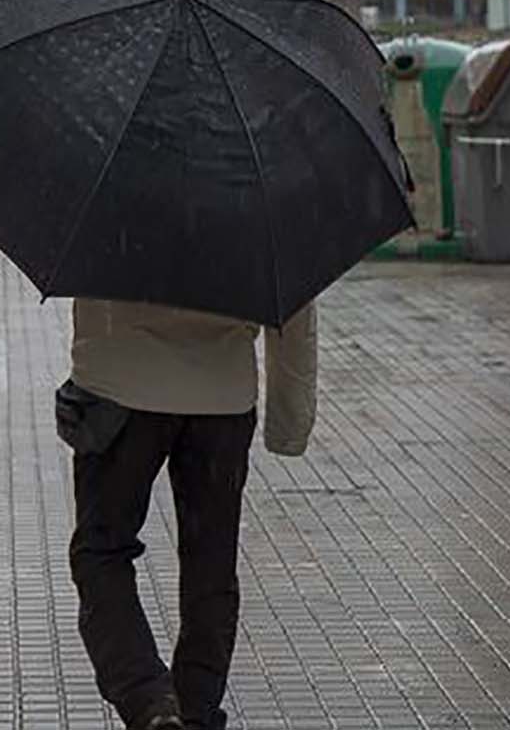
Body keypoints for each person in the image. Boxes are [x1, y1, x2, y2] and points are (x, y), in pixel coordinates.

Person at [58, 298, 318, 730]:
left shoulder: (109, 225)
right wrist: (289, 422)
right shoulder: (255, 226)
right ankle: (194, 713)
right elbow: (294, 307)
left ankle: (150, 702)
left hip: (118, 386)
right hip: (221, 397)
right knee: (211, 567)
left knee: (101, 553)